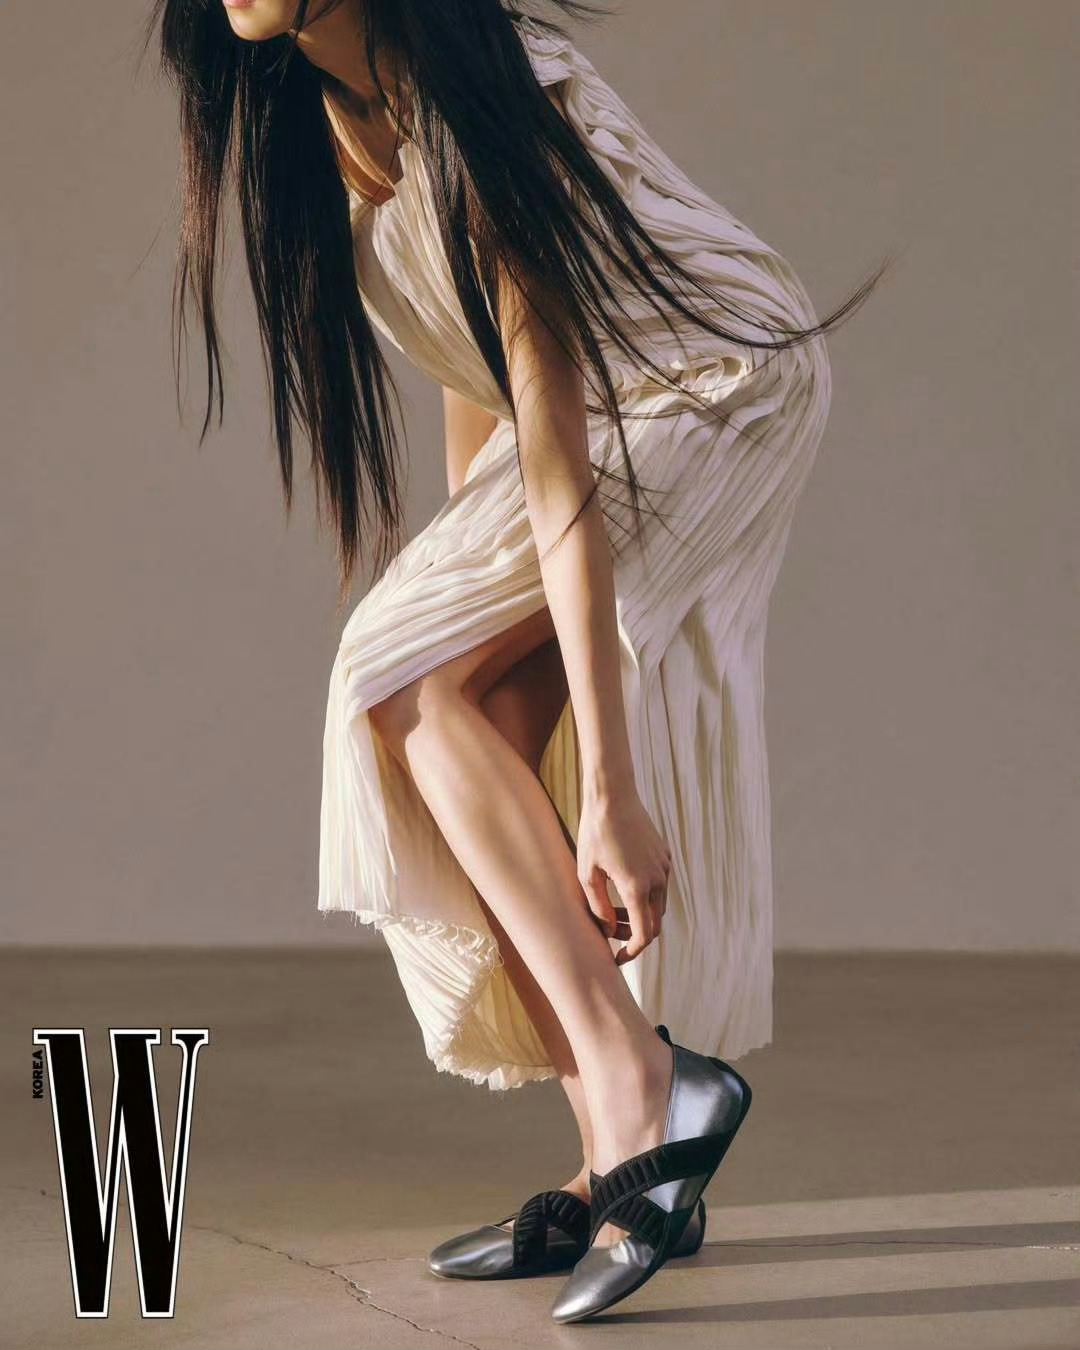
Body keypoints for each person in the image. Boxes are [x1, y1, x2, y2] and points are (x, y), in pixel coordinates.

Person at [151, 0, 889, 1321]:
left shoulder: (487, 91)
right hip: (591, 422)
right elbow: (480, 379)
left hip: (714, 385)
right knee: (453, 702)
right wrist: (467, 605)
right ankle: (621, 1154)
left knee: (394, 671)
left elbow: (553, 418)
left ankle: (649, 1086)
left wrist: (609, 784)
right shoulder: (330, 122)